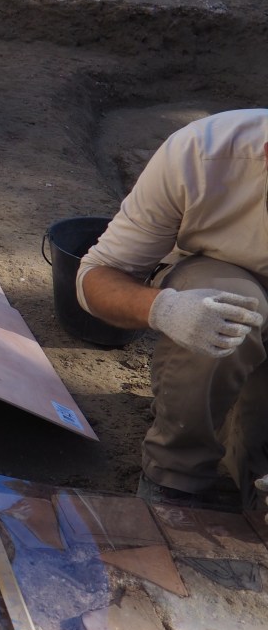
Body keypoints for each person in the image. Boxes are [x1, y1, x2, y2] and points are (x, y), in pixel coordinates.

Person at [78, 109, 268, 511]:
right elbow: (97, 275)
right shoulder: (202, 152)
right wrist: (164, 309)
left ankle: (250, 463)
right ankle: (176, 479)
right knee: (226, 306)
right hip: (224, 274)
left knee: (258, 463)